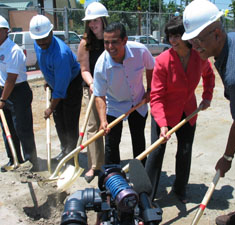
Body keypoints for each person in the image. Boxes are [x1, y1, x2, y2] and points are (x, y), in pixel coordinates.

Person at [182, 0, 235, 223]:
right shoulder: (230, 42)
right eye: (191, 40)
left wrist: (227, 157)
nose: (194, 45)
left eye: (198, 39)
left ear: (217, 34)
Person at [145, 16, 215, 204]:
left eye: (177, 36)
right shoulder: (162, 61)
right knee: (156, 152)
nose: (173, 41)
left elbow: (209, 75)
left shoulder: (198, 57)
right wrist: (161, 124)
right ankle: (147, 195)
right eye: (170, 36)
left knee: (185, 151)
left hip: (188, 112)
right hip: (164, 114)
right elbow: (156, 96)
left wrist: (207, 96)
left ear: (186, 36)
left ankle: (180, 188)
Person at [94, 22, 155, 166]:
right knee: (111, 143)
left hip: (137, 102)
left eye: (114, 42)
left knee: (139, 139)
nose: (110, 47)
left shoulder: (140, 51)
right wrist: (103, 121)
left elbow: (151, 67)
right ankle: (113, 177)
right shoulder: (101, 65)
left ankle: (141, 173)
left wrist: (150, 89)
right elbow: (99, 96)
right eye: (106, 42)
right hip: (114, 105)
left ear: (124, 40)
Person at [0, 15, 38, 172]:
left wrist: (3, 99)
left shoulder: (13, 51)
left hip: (18, 92)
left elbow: (11, 78)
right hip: (2, 90)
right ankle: (14, 158)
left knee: (22, 128)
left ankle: (31, 161)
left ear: (5, 31)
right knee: (7, 129)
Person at [29, 15, 83, 162]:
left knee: (69, 120)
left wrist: (50, 108)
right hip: (58, 82)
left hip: (71, 84)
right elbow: (44, 63)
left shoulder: (61, 54)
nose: (41, 42)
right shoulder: (38, 44)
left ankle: (71, 155)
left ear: (51, 33)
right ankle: (64, 150)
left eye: (44, 38)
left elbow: (60, 90)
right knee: (59, 120)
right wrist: (49, 80)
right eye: (38, 39)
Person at [77, 2, 108, 183]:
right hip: (93, 89)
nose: (92, 24)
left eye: (96, 20)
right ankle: (94, 165)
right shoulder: (85, 42)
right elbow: (84, 69)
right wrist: (92, 83)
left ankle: (110, 163)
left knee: (109, 125)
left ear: (103, 20)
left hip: (111, 89)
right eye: (90, 21)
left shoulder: (112, 37)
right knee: (92, 126)